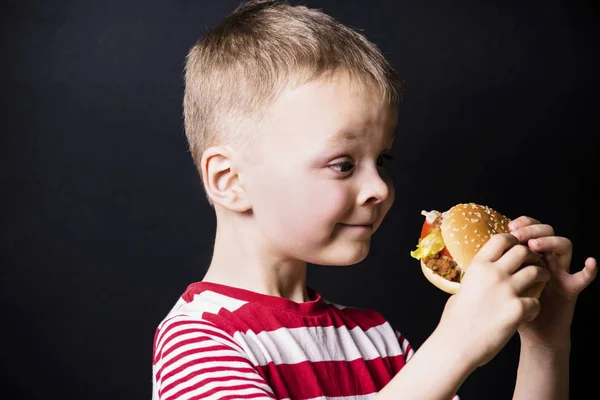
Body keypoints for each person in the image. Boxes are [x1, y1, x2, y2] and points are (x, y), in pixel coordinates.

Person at [151, 1, 597, 399]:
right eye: (343, 163)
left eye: (381, 159)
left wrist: (545, 345)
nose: (381, 188)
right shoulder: (198, 341)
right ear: (230, 180)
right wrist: (453, 346)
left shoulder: (376, 337)